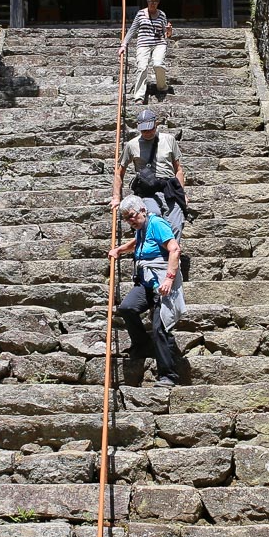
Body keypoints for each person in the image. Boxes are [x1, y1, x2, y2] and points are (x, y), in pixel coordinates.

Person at [110, 194, 184, 387]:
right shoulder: (141, 227)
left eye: (132, 215)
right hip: (145, 283)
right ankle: (142, 345)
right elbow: (136, 242)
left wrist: (169, 279)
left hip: (162, 283)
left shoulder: (157, 223)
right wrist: (119, 250)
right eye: (126, 218)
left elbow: (174, 249)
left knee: (160, 328)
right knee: (127, 308)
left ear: (143, 210)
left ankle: (168, 376)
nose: (130, 220)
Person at [112, 107, 188, 233]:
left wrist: (182, 193)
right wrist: (116, 197)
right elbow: (119, 172)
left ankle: (171, 252)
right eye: (144, 130)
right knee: (152, 222)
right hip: (147, 191)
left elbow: (178, 169)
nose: (147, 132)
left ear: (156, 124)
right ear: (138, 127)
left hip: (170, 188)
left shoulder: (169, 140)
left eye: (150, 128)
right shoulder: (132, 145)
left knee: (175, 225)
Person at [121, 0, 172, 99]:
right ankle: (139, 96)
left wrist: (169, 31)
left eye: (155, 1)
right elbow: (132, 30)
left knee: (158, 64)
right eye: (150, 0)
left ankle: (162, 87)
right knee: (142, 67)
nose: (153, 3)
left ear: (158, 2)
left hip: (159, 43)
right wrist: (124, 44)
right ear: (147, 1)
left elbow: (166, 33)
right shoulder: (140, 14)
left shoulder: (162, 14)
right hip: (143, 44)